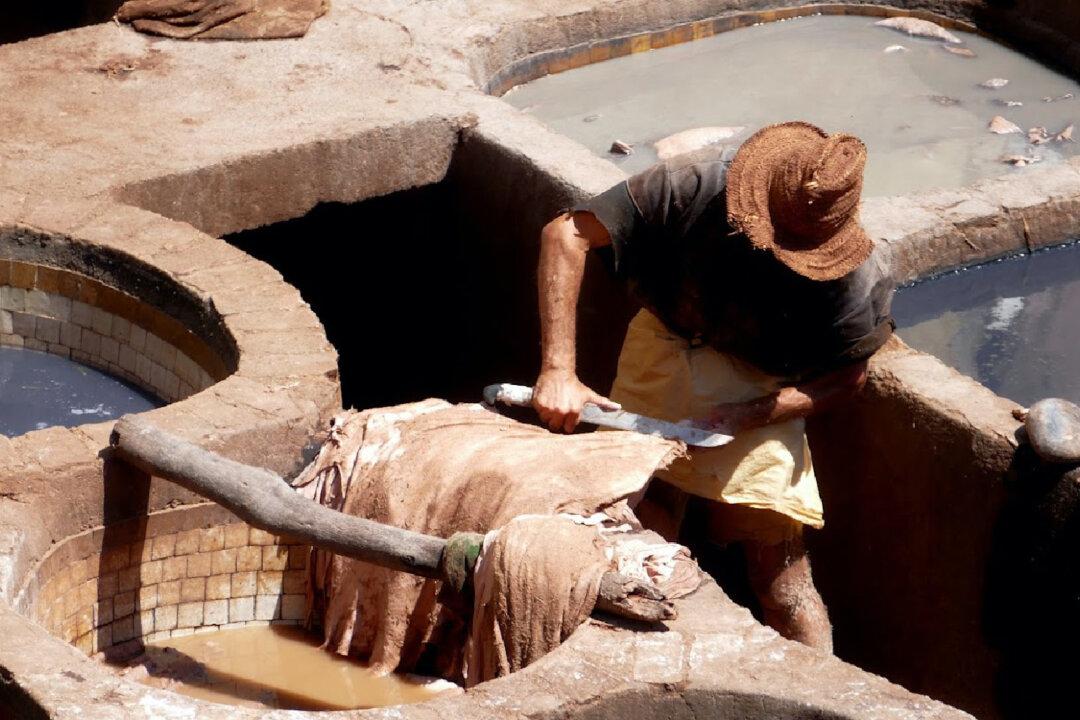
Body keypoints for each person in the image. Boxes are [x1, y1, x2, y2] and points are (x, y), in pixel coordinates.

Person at [531, 122, 895, 651]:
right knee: (640, 531)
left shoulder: (854, 276)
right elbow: (565, 234)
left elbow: (846, 380)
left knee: (780, 579)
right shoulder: (693, 186)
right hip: (667, 341)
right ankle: (640, 659)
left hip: (761, 385)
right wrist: (559, 370)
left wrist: (750, 414)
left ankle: (818, 691)